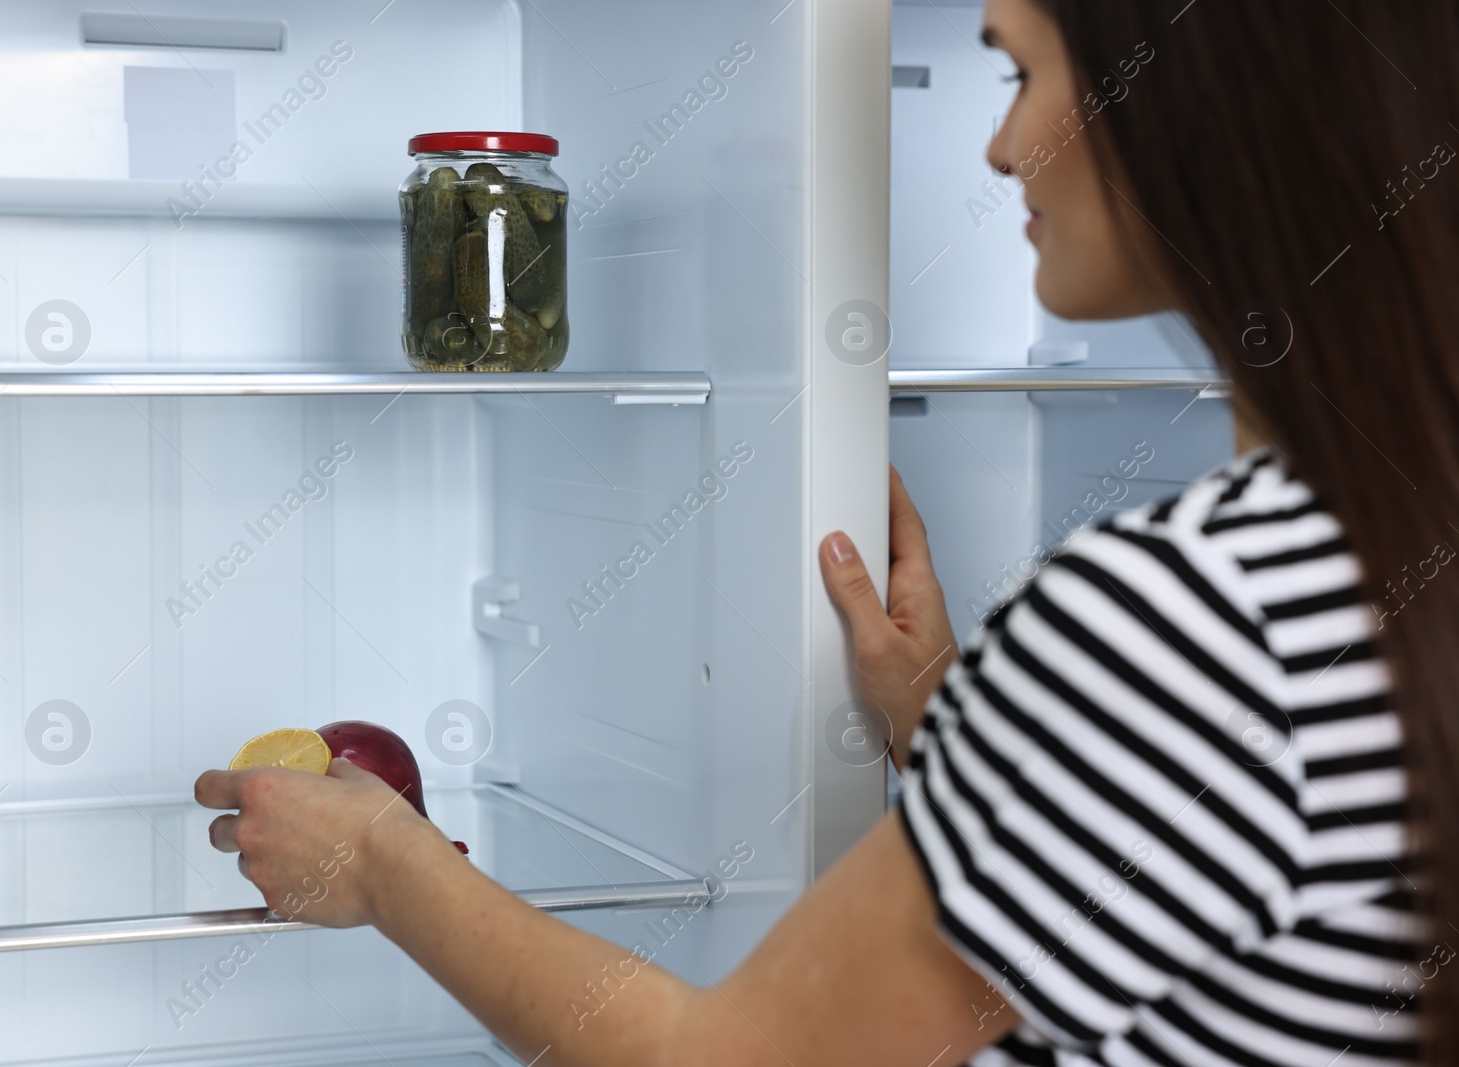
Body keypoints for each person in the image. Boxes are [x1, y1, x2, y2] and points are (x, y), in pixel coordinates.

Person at [197, 0, 1453, 1061]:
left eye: (1020, 74)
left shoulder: (1182, 613)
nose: (1003, 146)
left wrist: (384, 863)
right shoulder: (1364, 549)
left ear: (1195, 96)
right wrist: (957, 719)